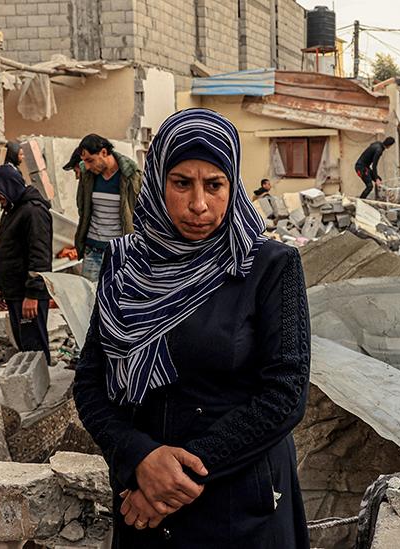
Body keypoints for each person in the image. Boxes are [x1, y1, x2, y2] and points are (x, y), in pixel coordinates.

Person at [73, 109, 311, 548]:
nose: (199, 204)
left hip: (240, 505)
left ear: (233, 186)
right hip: (145, 504)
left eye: (214, 185)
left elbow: (286, 393)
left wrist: (175, 478)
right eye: (182, 183)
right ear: (159, 182)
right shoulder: (126, 264)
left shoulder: (269, 267)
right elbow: (91, 381)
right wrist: (138, 457)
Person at [0, 165, 53, 365]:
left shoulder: (33, 212)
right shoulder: (13, 210)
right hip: (15, 292)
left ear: (9, 186)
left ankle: (40, 390)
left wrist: (32, 295)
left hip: (28, 294)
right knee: (25, 344)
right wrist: (1, 288)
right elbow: (6, 251)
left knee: (34, 347)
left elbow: (40, 257)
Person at [70, 134, 143, 282]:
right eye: (84, 161)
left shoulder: (131, 176)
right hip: (93, 252)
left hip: (120, 253)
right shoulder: (87, 175)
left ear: (104, 152)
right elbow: (82, 207)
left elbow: (141, 213)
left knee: (118, 300)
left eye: (90, 160)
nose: (88, 166)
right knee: (89, 300)